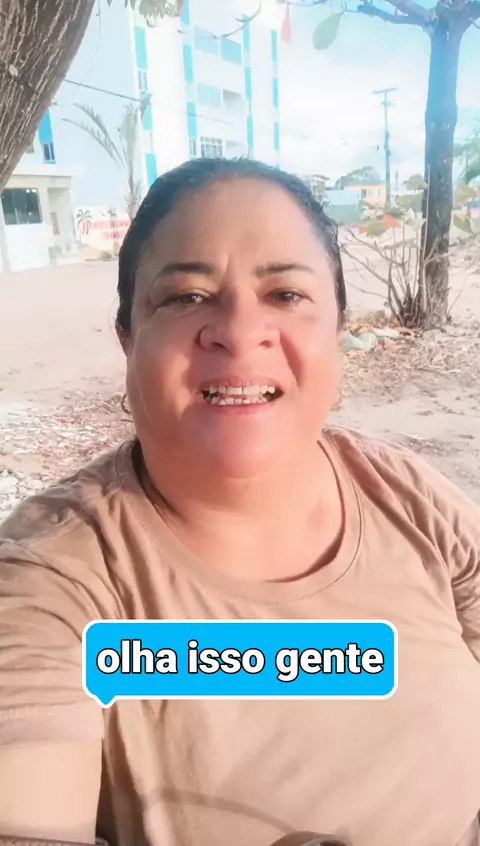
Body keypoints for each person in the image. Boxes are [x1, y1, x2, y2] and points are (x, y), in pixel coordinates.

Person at [0, 158, 480, 846]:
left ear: (336, 332)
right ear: (127, 336)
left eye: (285, 293)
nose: (238, 329)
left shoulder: (408, 497)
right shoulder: (51, 581)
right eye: (186, 296)